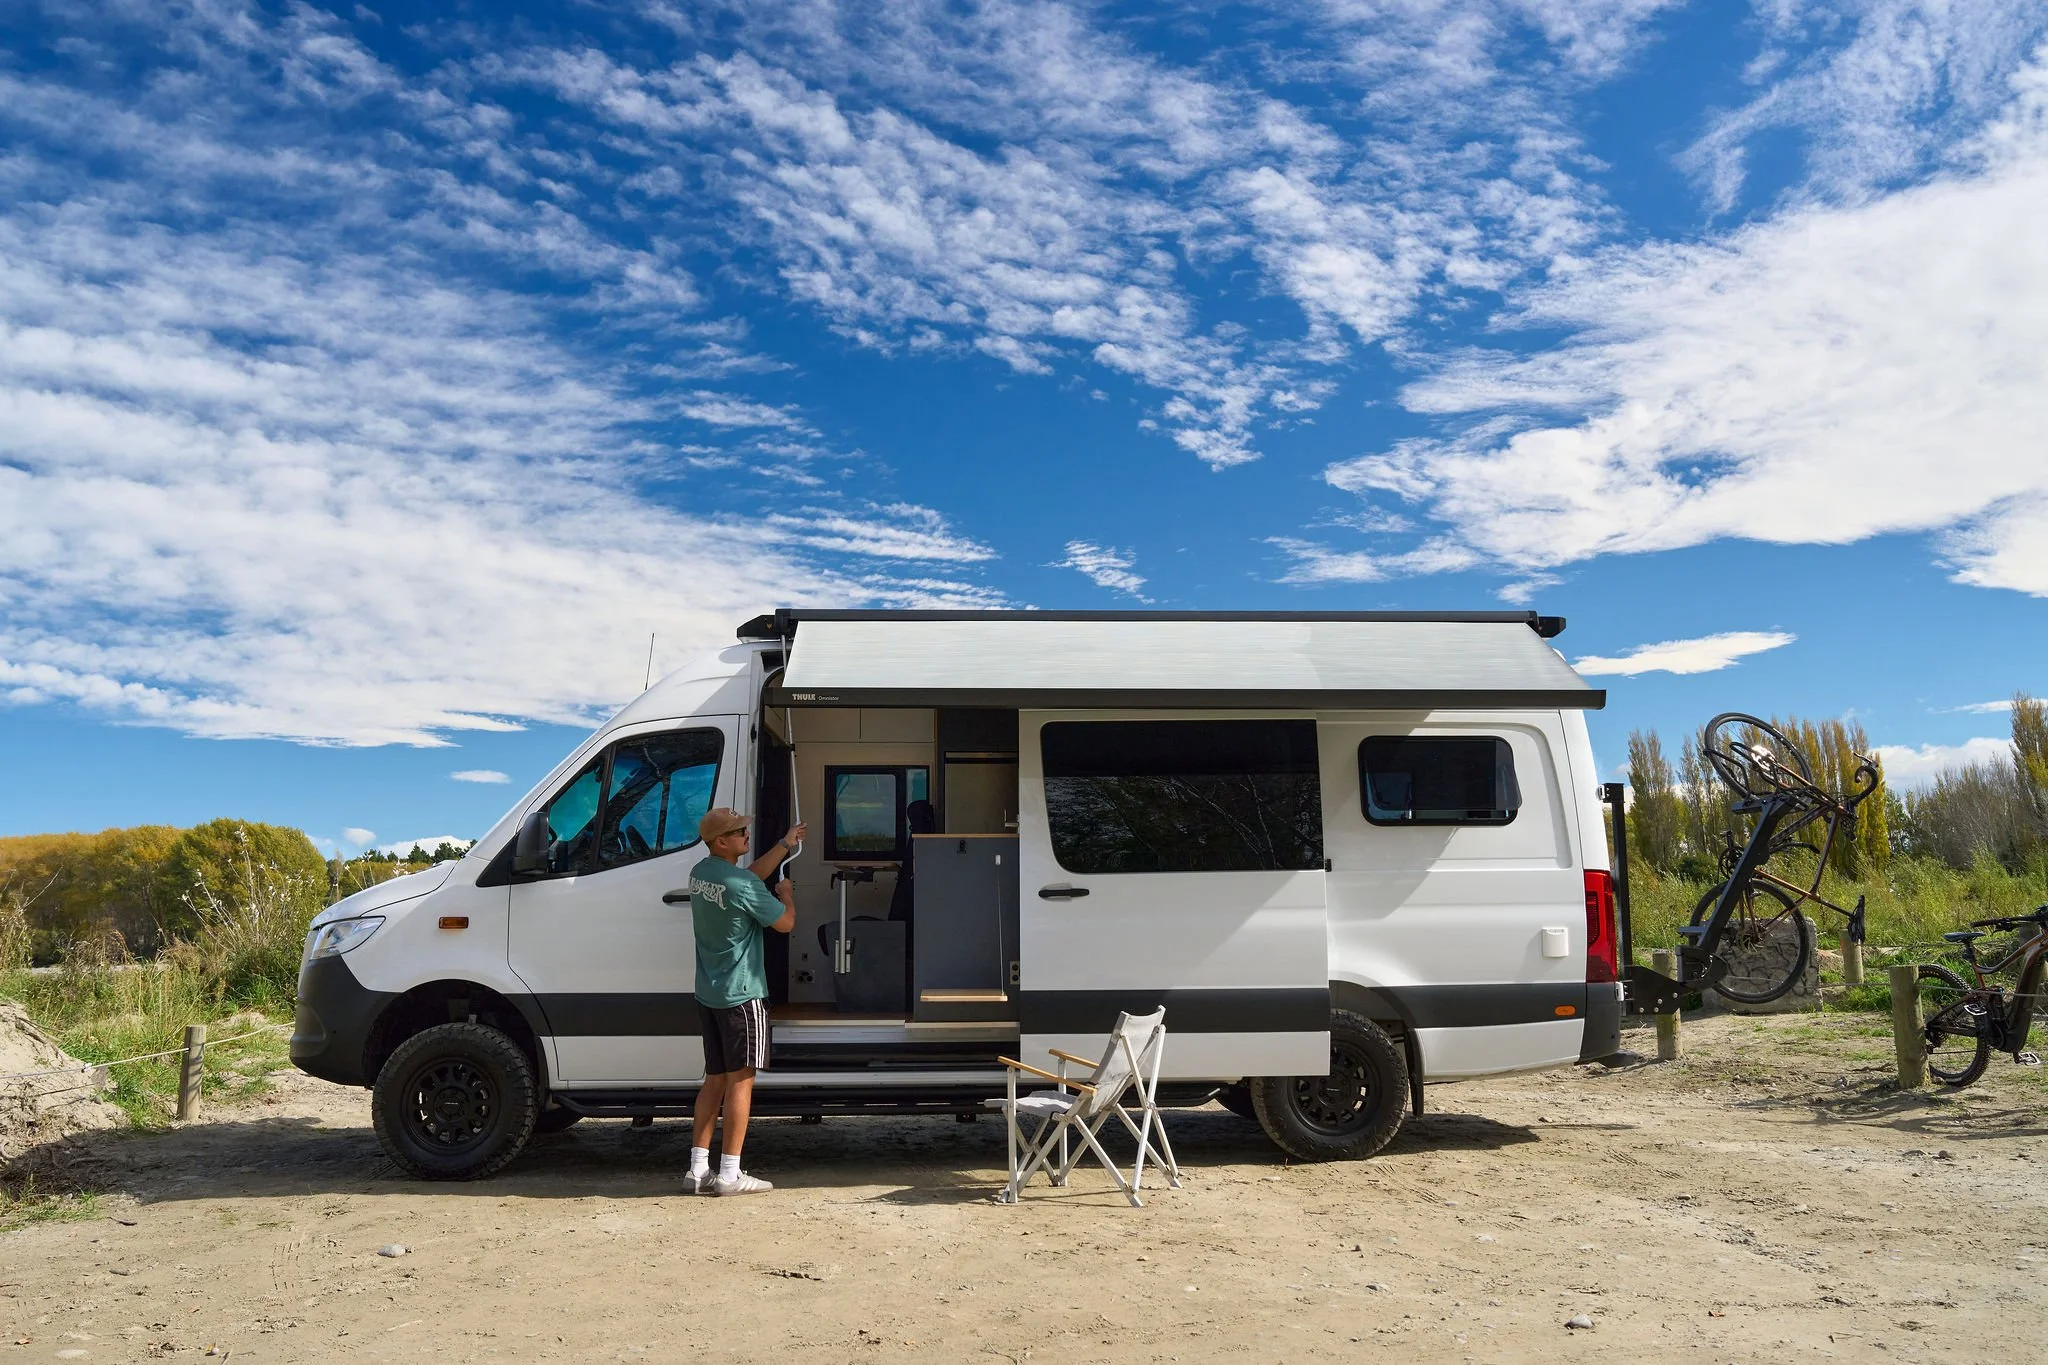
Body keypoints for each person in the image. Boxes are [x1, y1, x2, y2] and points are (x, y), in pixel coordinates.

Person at [684, 807, 804, 1196]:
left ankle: (698, 1169)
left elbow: (748, 877)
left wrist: (784, 845)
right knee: (741, 1083)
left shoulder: (702, 873)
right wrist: (786, 896)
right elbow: (785, 924)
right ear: (722, 841)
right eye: (740, 833)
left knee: (714, 1080)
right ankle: (731, 1174)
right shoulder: (740, 885)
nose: (746, 836)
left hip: (710, 994)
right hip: (743, 996)